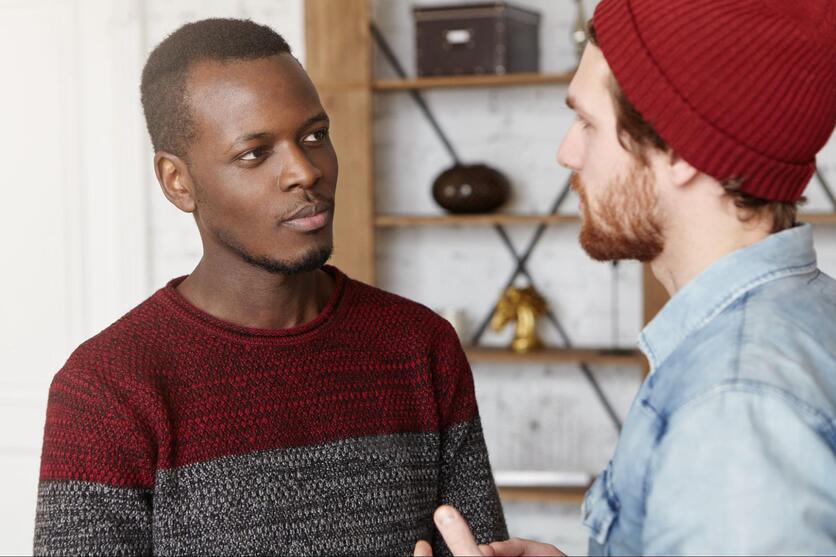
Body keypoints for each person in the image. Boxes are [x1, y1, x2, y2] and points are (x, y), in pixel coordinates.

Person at [33, 18, 507, 555]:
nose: (304, 172)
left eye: (315, 136)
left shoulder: (421, 344)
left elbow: (479, 547)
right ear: (177, 181)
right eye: (255, 153)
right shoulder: (108, 388)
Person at [415, 0, 836, 554]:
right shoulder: (804, 318)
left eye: (588, 122)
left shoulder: (734, 405)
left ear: (681, 150)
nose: (567, 153)